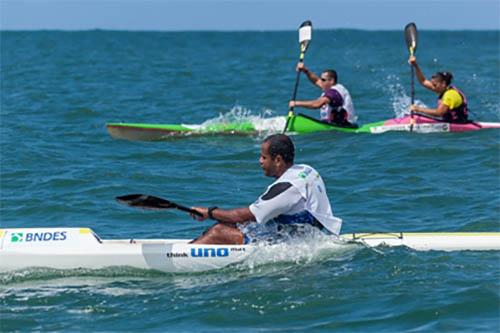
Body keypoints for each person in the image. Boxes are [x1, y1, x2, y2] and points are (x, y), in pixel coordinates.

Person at [190, 134, 342, 245]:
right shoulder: (307, 170)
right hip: (315, 232)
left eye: (264, 157)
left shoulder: (285, 188)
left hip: (295, 242)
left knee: (219, 231)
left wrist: (209, 212)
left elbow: (242, 215)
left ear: (278, 160)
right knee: (233, 225)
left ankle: (184, 253)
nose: (260, 161)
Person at [288, 63, 357, 127]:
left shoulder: (334, 93)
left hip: (344, 126)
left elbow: (317, 104)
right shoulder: (329, 86)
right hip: (332, 124)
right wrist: (305, 70)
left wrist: (296, 103)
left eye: (323, 80)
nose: (321, 81)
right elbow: (316, 81)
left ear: (331, 81)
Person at [408, 55, 469, 123]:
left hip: (458, 124)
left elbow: (439, 113)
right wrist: (415, 65)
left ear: (443, 84)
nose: (432, 87)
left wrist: (418, 109)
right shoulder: (443, 89)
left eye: (435, 85)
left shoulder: (450, 95)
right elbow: (423, 81)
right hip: (448, 121)